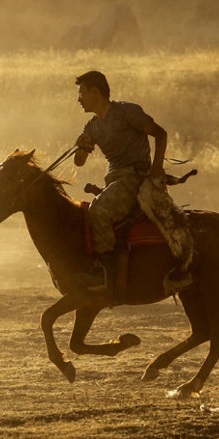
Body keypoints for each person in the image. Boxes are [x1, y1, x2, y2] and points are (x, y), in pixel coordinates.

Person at [73, 70, 168, 294]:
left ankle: (105, 270)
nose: (78, 99)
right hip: (114, 181)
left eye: (81, 93)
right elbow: (78, 162)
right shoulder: (92, 126)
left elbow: (160, 134)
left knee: (99, 210)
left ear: (95, 92)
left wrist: (157, 167)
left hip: (135, 178)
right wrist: (82, 146)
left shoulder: (126, 111)